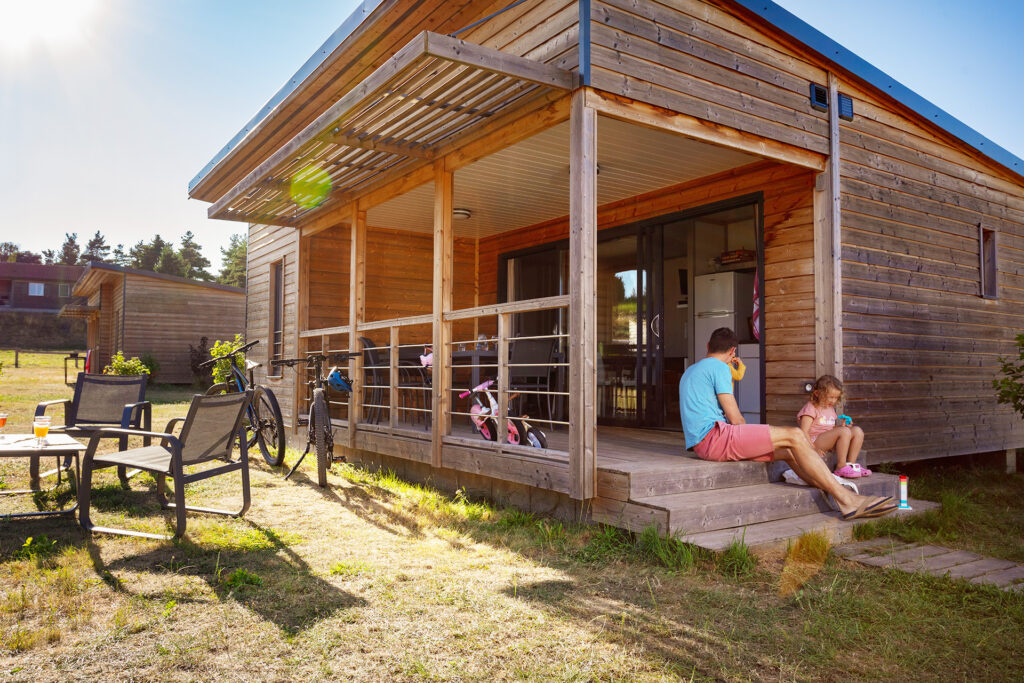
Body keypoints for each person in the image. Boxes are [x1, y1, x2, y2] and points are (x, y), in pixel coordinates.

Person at [679, 327, 895, 521]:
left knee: (789, 451)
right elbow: (735, 419)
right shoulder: (720, 368)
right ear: (733, 351)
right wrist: (750, 434)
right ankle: (848, 500)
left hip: (704, 443)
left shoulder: (690, 371)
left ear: (708, 346)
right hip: (716, 438)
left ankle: (830, 489)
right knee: (795, 435)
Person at [798, 375, 870, 479]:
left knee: (857, 431)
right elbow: (803, 432)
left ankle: (851, 465)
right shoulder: (810, 408)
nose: (833, 401)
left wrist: (841, 427)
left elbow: (828, 428)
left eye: (836, 398)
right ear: (817, 393)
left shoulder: (830, 408)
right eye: (830, 397)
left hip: (825, 439)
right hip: (813, 441)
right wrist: (814, 449)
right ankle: (841, 466)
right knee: (844, 431)